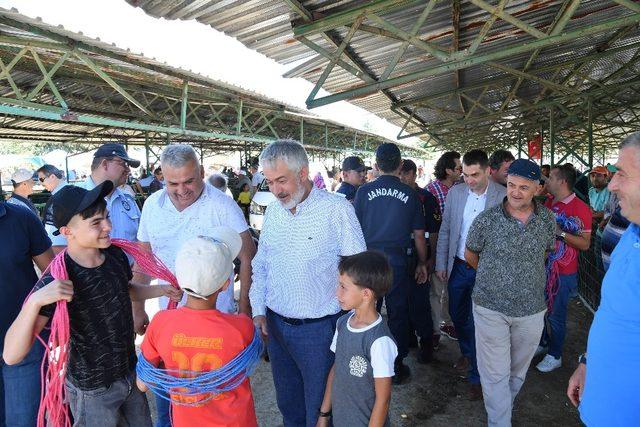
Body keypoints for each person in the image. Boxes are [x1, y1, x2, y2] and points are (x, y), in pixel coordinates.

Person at [3, 181, 181, 426]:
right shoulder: (59, 278)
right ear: (67, 231)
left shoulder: (115, 256)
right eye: (96, 222)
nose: (108, 226)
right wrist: (34, 301)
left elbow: (125, 290)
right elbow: (12, 356)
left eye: (106, 217)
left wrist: (160, 289)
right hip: (92, 391)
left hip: (130, 373)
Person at [136, 144, 256, 427]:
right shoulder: (153, 205)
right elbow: (143, 259)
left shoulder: (222, 205)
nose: (181, 189)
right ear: (161, 178)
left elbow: (248, 255)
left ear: (202, 173)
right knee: (169, 397)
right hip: (170, 318)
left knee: (218, 396)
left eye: (189, 181)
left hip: (218, 317)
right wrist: (137, 307)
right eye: (172, 183)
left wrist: (244, 308)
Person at [250, 139, 366, 427]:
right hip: (276, 327)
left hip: (319, 331)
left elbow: (358, 270)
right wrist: (258, 310)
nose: (276, 190)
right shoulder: (274, 211)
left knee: (321, 409)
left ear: (302, 173)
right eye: (269, 181)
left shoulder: (337, 210)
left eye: (281, 180)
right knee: (288, 405)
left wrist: (354, 327)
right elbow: (261, 264)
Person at [465, 159, 555, 426]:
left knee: (516, 373)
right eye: (512, 185)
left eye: (524, 188)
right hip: (490, 307)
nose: (515, 192)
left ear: (538, 189)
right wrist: (495, 277)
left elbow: (547, 252)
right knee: (494, 373)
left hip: (531, 310)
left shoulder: (548, 220)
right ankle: (499, 421)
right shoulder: (487, 219)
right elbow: (470, 253)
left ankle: (502, 407)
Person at [138, 229, 258, 427]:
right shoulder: (242, 327)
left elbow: (143, 384)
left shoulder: (161, 323)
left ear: (181, 278)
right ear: (226, 285)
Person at [567, 132, 640, 425]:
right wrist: (588, 362)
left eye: (621, 173)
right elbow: (612, 313)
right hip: (598, 406)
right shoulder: (630, 233)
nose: (612, 184)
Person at [354, 143, 428, 384]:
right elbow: (419, 235)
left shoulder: (364, 192)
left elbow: (354, 231)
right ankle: (394, 365)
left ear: (375, 166)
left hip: (369, 261)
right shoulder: (410, 194)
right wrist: (422, 263)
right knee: (397, 313)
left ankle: (363, 361)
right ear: (399, 166)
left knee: (367, 310)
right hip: (397, 261)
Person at [435, 149, 506, 399]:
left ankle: (477, 375)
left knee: (479, 322)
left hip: (485, 269)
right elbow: (445, 229)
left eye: (474, 175)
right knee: (456, 313)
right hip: (458, 265)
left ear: (488, 171)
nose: (469, 180)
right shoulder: (456, 193)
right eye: (465, 175)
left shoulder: (502, 196)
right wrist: (441, 263)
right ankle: (467, 351)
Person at [317, 252, 397, 427]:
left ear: (366, 294)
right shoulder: (342, 323)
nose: (337, 292)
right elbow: (337, 368)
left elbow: (383, 400)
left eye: (343, 287)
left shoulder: (379, 341)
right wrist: (324, 415)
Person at [0, 200, 54, 426]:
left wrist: (43, 317)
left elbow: (52, 272)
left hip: (27, 341)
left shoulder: (20, 217)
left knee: (24, 421)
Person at [536, 164, 591, 372]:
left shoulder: (581, 208)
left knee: (556, 315)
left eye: (550, 178)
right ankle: (542, 343)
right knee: (538, 310)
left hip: (563, 273)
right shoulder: (549, 202)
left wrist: (560, 233)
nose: (546, 181)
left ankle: (555, 354)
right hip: (542, 268)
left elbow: (585, 244)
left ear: (562, 182)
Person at [400, 159, 440, 361]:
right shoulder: (396, 197)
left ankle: (426, 342)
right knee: (402, 302)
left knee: (420, 302)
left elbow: (433, 231)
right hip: (400, 256)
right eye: (400, 174)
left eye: (406, 174)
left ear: (415, 175)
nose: (403, 178)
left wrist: (430, 259)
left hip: (420, 255)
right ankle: (409, 339)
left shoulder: (426, 198)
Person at [426, 151, 462, 344]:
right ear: (448, 170)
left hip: (458, 246)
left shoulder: (463, 188)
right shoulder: (431, 190)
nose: (461, 171)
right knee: (435, 288)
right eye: (458, 167)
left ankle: (448, 322)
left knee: (451, 288)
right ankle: (434, 330)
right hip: (438, 243)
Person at [37, 164, 68, 254]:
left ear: (52, 177)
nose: (40, 183)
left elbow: (56, 240)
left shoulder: (60, 197)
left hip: (63, 250)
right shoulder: (70, 191)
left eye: (41, 179)